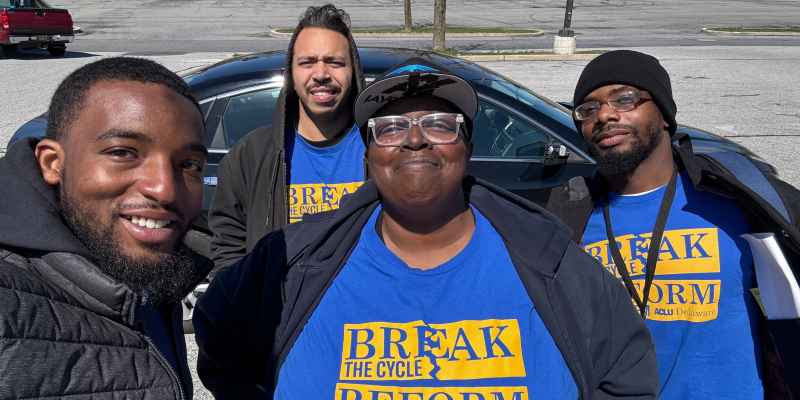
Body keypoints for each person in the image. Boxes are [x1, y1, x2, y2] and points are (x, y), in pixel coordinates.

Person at [193, 57, 658, 399]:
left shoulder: (548, 259)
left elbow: (628, 375)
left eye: (440, 124)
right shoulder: (297, 260)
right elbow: (219, 340)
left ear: (466, 148)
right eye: (391, 127)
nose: (415, 139)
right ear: (369, 155)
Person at [546, 49, 800, 399]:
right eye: (587, 109)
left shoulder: (737, 195)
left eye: (624, 99)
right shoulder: (570, 215)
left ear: (663, 114)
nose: (604, 114)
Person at [0, 57, 211, 398]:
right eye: (123, 152)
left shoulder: (150, 277)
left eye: (188, 164)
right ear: (54, 163)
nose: (165, 189)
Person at [209, 3, 367, 269]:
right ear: (291, 75)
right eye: (307, 62)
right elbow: (227, 249)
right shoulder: (251, 155)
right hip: (278, 309)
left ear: (353, 73)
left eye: (335, 62)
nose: (321, 74)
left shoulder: (380, 148)